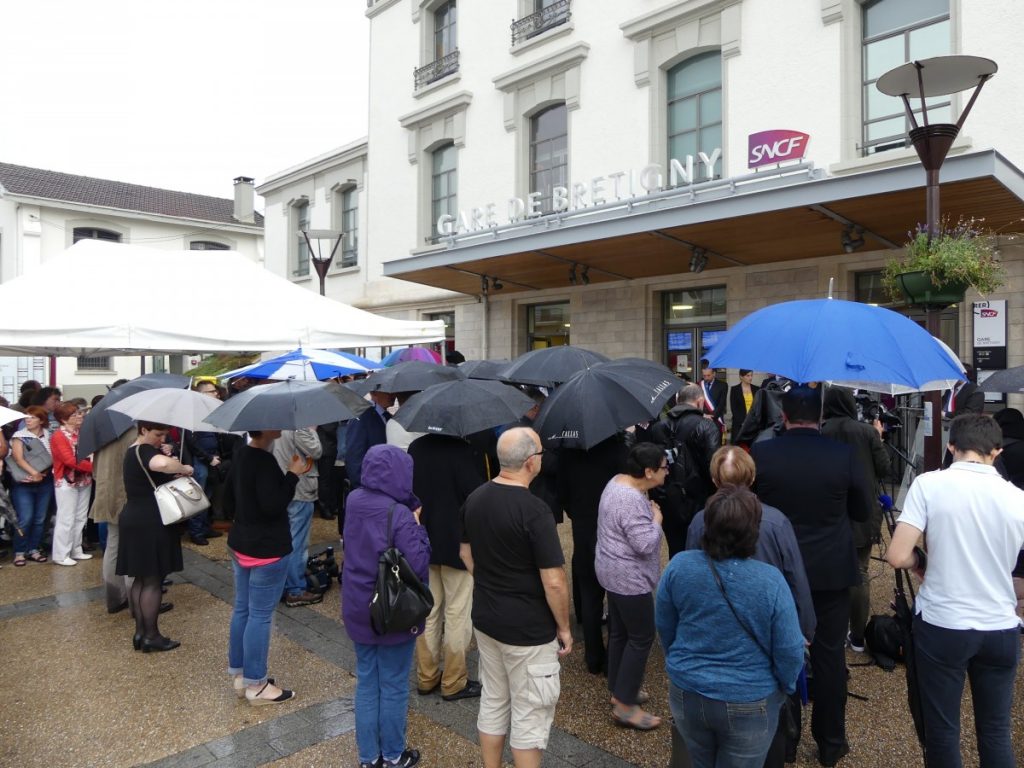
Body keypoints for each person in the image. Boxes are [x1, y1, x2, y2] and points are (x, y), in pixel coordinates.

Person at [886, 414, 1024, 768]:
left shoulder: (929, 485)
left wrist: (920, 558)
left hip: (943, 623)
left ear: (951, 446)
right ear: (997, 451)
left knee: (943, 731)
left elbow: (898, 555)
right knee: (995, 731)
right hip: (999, 625)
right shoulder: (1017, 497)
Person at [751, 386, 871, 767]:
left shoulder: (763, 454)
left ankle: (785, 740)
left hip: (776, 567)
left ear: (783, 416)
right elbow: (863, 508)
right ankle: (831, 742)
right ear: (818, 418)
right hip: (829, 567)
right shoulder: (842, 455)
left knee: (779, 653)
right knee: (830, 656)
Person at [656, 485, 805, 768]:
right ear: (754, 530)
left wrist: (681, 662)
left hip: (688, 689)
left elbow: (665, 624)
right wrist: (783, 687)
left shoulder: (679, 566)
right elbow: (789, 648)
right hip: (749, 698)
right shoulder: (770, 581)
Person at [686, 446, 816, 768]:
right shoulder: (775, 520)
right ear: (753, 476)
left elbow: (690, 574)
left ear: (715, 478)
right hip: (768, 626)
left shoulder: (700, 521)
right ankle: (782, 748)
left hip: (714, 629)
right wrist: (804, 628)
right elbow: (795, 577)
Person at [460, 427, 572, 768]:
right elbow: (553, 581)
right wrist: (564, 628)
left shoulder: (475, 497)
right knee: (530, 711)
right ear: (530, 462)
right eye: (540, 452)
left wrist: (491, 581)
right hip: (527, 628)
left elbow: (465, 554)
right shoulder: (535, 511)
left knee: (494, 699)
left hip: (487, 618)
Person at [343, 444, 430, 768]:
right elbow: (418, 563)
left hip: (358, 604)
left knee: (367, 681)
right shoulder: (400, 513)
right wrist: (418, 525)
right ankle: (393, 755)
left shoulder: (354, 500)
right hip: (393, 609)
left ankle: (369, 757)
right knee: (393, 684)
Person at [225, 429, 309, 705]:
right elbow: (273, 505)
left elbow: (227, 499)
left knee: (243, 609)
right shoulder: (264, 461)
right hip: (267, 548)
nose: (283, 427)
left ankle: (240, 675)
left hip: (242, 542)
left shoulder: (240, 454)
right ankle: (257, 684)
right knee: (260, 616)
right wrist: (293, 474)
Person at [595, 442, 666, 730]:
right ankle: (625, 706)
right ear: (648, 471)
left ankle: (620, 689)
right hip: (629, 578)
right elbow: (645, 544)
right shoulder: (630, 498)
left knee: (621, 633)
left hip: (611, 571)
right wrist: (657, 520)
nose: (667, 472)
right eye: (663, 468)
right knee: (641, 636)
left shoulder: (617, 482)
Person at [409, 432, 485, 701]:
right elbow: (476, 494)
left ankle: (426, 676)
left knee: (428, 612)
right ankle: (453, 681)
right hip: (457, 543)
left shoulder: (416, 447)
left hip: (421, 540)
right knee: (457, 614)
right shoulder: (462, 451)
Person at [820, 386, 891, 653]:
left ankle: (830, 631)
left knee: (828, 570)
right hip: (862, 510)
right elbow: (884, 468)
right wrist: (879, 438)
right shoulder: (866, 432)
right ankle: (858, 635)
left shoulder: (821, 431)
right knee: (860, 572)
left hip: (830, 509)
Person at [117, 421, 193, 653]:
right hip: (150, 520)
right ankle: (151, 635)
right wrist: (183, 467)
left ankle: (141, 632)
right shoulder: (146, 450)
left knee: (141, 579)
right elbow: (161, 464)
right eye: (158, 434)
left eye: (164, 435)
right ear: (143, 430)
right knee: (152, 581)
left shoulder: (133, 449)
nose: (161, 438)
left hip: (135, 518)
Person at [557, 433, 630, 675]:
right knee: (617, 596)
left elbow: (563, 492)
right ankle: (614, 658)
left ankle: (593, 657)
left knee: (590, 596)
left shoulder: (568, 452)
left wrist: (576, 512)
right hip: (613, 527)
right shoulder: (617, 448)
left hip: (583, 525)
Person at [650, 383, 720, 556]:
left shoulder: (658, 428)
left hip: (668, 499)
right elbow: (714, 467)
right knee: (701, 552)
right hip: (700, 499)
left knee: (676, 550)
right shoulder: (707, 426)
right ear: (699, 402)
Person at [272, 428, 324, 607]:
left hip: (282, 485)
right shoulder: (299, 425)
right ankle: (295, 590)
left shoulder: (275, 419)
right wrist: (313, 431)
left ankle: (283, 586)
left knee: (285, 539)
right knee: (297, 543)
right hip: (300, 488)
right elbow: (316, 451)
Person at [91, 426, 137, 612]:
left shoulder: (101, 433)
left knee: (113, 546)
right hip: (128, 496)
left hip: (106, 494)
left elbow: (94, 470)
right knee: (135, 549)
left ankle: (115, 598)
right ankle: (139, 602)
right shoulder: (134, 434)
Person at [7, 405, 54, 567]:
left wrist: (43, 474)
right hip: (24, 481)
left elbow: (52, 458)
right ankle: (19, 551)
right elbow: (18, 458)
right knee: (25, 517)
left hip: (46, 480)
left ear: (41, 420)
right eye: (26, 417)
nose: (28, 420)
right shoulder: (19, 436)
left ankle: (33, 548)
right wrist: (34, 473)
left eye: (32, 417)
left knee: (40, 518)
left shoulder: (49, 435)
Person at [49, 402, 94, 566]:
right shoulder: (58, 436)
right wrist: (95, 467)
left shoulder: (82, 433)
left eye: (79, 414)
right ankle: (61, 554)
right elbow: (69, 460)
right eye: (74, 415)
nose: (79, 417)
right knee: (66, 517)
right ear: (63, 419)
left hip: (84, 479)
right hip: (67, 481)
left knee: (80, 516)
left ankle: (76, 549)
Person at [181, 381, 224, 544]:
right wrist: (208, 458)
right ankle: (196, 532)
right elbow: (191, 442)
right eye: (212, 391)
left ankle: (205, 527)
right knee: (199, 497)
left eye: (216, 391)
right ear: (201, 394)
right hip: (201, 460)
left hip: (212, 458)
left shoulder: (210, 410)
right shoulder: (193, 413)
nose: (216, 394)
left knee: (209, 495)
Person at [347, 389, 394, 489]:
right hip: (369, 487)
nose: (392, 394)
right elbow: (354, 456)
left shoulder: (389, 417)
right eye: (387, 391)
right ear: (374, 393)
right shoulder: (361, 417)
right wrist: (361, 486)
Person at [728, 369, 759, 444]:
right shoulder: (735, 389)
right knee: (738, 449)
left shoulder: (757, 389)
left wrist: (753, 422)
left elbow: (758, 407)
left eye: (751, 375)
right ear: (741, 377)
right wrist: (743, 422)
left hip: (753, 425)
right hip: (739, 425)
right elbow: (734, 409)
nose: (750, 378)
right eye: (748, 376)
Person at [699, 359, 728, 433]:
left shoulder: (723, 385)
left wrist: (712, 417)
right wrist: (704, 415)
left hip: (716, 420)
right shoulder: (698, 385)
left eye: (708, 375)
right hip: (702, 421)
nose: (706, 378)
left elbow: (722, 404)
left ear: (714, 374)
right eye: (704, 376)